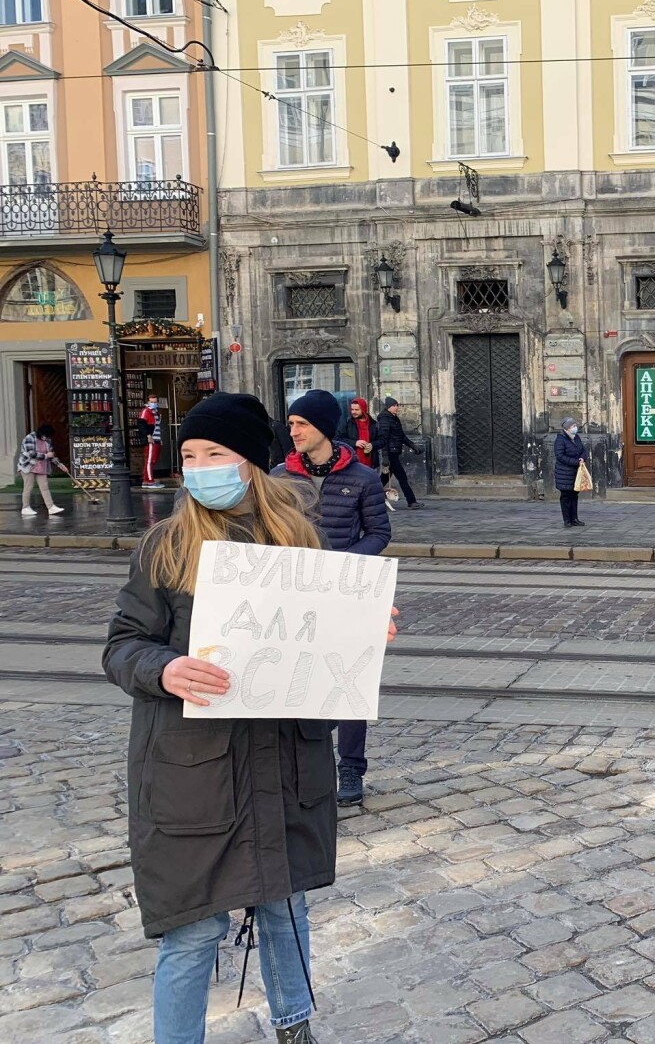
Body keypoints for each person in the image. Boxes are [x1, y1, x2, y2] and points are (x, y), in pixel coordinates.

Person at [102, 392, 346, 1044]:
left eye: (215, 453)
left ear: (252, 464)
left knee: (284, 904)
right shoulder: (167, 545)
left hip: (283, 759)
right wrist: (163, 669)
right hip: (194, 772)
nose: (198, 466)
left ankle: (295, 1026)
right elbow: (122, 645)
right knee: (192, 928)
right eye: (188, 455)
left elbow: (325, 643)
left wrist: (361, 635)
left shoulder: (298, 538)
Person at [276, 388, 391, 807]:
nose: (294, 432)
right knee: (299, 678)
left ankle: (351, 767)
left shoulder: (361, 477)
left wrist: (339, 563)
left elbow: (380, 534)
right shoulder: (279, 477)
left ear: (323, 427)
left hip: (347, 591)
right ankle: (307, 764)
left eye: (301, 424)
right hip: (297, 594)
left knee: (350, 680)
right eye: (290, 424)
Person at [378, 396, 424, 510]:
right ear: (389, 407)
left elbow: (401, 436)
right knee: (402, 477)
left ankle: (368, 495)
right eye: (395, 405)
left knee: (383, 479)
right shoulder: (385, 419)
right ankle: (411, 501)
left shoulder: (394, 418)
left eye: (397, 405)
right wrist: (385, 457)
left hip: (395, 452)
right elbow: (384, 438)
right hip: (390, 453)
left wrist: (413, 446)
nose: (397, 407)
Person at [17, 423, 63, 516]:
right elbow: (31, 453)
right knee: (28, 487)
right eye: (44, 436)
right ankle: (25, 507)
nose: (45, 438)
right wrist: (46, 455)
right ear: (41, 433)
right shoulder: (29, 438)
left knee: (45, 487)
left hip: (41, 466)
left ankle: (51, 507)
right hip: (28, 466)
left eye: (47, 436)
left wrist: (60, 464)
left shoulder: (48, 440)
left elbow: (51, 455)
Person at [555, 417, 588, 527]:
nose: (575, 428)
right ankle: (567, 520)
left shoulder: (576, 437)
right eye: (573, 426)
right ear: (567, 428)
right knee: (566, 496)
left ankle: (574, 518)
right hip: (564, 473)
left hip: (576, 473)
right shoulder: (560, 439)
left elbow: (583, 450)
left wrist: (583, 458)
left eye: (575, 425)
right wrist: (575, 462)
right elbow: (560, 456)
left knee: (574, 495)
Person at [339, 396, 380, 471]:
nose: (353, 412)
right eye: (352, 409)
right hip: (352, 464)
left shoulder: (374, 424)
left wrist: (372, 445)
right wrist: (355, 443)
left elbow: (382, 440)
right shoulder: (347, 423)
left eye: (356, 410)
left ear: (363, 410)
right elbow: (337, 439)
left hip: (371, 466)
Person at [138, 392, 163, 489]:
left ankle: (146, 480)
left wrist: (159, 439)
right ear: (148, 401)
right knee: (149, 460)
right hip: (151, 439)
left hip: (156, 438)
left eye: (155, 402)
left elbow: (157, 426)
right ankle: (149, 481)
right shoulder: (146, 411)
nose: (154, 403)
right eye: (152, 402)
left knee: (153, 460)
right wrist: (148, 436)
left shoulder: (155, 412)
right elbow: (141, 425)